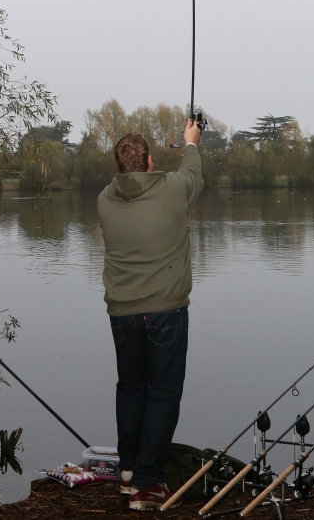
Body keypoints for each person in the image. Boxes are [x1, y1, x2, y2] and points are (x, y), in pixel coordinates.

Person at [97, 119, 203, 511]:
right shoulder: (173, 191)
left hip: (123, 315)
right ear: (149, 161)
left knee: (131, 388)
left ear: (120, 166)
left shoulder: (104, 200)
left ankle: (128, 474)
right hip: (166, 313)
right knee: (163, 392)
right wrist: (191, 142)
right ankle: (149, 482)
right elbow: (193, 174)